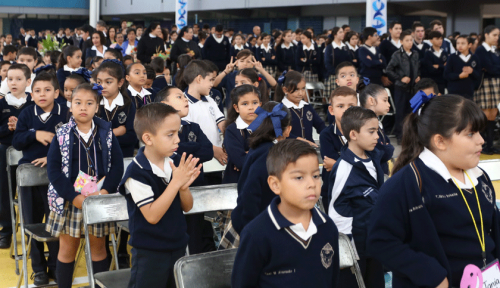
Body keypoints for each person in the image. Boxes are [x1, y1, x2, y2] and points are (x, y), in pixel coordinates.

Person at [367, 95, 497, 288]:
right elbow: (380, 241)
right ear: (440, 141)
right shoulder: (407, 184)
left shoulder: (480, 176)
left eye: (480, 132)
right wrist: (429, 274)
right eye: (470, 134)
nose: (481, 140)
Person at [232, 139, 340, 288]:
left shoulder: (327, 227)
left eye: (316, 176)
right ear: (275, 185)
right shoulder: (256, 234)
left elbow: (332, 280)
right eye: (299, 177)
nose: (311, 184)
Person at [45, 83, 123, 288]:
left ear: (97, 107)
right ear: (70, 105)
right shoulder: (61, 134)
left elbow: (117, 166)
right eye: (78, 102)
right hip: (70, 201)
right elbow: (53, 171)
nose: (83, 107)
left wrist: (105, 191)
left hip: (99, 199)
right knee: (67, 249)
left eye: (89, 103)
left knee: (98, 249)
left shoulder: (106, 133)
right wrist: (74, 196)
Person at [119, 103, 201, 288]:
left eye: (178, 133)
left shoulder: (174, 162)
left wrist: (183, 188)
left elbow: (187, 207)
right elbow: (152, 216)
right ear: (148, 138)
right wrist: (175, 183)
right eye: (170, 134)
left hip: (178, 245)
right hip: (150, 252)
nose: (177, 140)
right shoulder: (137, 172)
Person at [12, 71, 68, 285]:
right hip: (30, 179)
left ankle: (55, 266)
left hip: (56, 179)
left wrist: (51, 156)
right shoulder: (26, 114)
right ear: (31, 94)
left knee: (55, 224)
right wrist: (35, 135)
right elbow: (17, 141)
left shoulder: (65, 113)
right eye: (37, 91)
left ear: (56, 92)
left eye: (47, 90)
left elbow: (71, 142)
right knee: (32, 223)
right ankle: (39, 269)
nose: (42, 94)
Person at [221, 101, 292, 248]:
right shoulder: (268, 154)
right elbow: (250, 194)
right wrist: (251, 230)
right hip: (252, 228)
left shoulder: (261, 148)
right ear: (287, 129)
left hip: (255, 223)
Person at [329, 106, 385, 288]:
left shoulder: (374, 157)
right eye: (371, 131)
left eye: (377, 131)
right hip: (356, 245)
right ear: (353, 134)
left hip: (375, 237)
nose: (377, 136)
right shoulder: (344, 168)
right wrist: (349, 250)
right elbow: (337, 210)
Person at [155, 86, 215, 254]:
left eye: (184, 97)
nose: (186, 100)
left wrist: (181, 148)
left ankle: (193, 274)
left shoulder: (193, 127)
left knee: (195, 233)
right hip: (169, 191)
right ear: (164, 103)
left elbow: (208, 152)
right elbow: (166, 152)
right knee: (176, 235)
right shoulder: (157, 130)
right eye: (179, 97)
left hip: (195, 188)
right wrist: (193, 146)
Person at [0, 64, 34, 249]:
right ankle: (6, 231)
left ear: (28, 82)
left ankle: (30, 230)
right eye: (10, 79)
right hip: (5, 151)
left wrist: (22, 128)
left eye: (18, 79)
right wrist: (8, 128)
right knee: (5, 192)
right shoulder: (1, 103)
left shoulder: (33, 104)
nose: (13, 82)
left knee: (29, 194)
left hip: (29, 152)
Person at [181, 60, 227, 166]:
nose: (212, 84)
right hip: (199, 159)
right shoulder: (184, 103)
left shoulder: (210, 100)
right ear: (199, 78)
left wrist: (228, 139)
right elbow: (190, 137)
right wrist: (213, 149)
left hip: (219, 155)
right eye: (211, 80)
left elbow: (222, 123)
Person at [320, 87, 357, 212]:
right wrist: (358, 167)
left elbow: (334, 164)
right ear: (331, 110)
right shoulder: (326, 135)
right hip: (332, 190)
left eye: (351, 106)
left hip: (358, 190)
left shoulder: (363, 132)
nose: (346, 110)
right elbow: (329, 162)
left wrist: (337, 164)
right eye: (340, 106)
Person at [94, 60, 137, 157]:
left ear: (120, 82)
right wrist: (115, 132)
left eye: (108, 82)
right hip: (99, 157)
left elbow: (132, 138)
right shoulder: (94, 104)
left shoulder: (128, 105)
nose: (103, 86)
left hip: (123, 156)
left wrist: (104, 137)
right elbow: (92, 136)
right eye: (99, 82)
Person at [386, 30, 421, 141]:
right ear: (401, 42)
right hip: (401, 88)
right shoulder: (397, 55)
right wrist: (400, 78)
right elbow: (389, 70)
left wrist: (418, 76)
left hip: (413, 88)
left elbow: (417, 68)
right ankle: (400, 136)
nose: (410, 43)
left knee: (412, 112)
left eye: (411, 40)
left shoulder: (415, 54)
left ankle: (411, 135)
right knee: (401, 113)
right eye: (407, 40)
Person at [222, 85, 261, 184]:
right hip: (237, 182)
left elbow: (275, 155)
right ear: (236, 108)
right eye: (245, 104)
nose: (251, 107)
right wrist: (260, 154)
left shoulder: (266, 127)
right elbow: (240, 162)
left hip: (261, 182)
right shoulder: (232, 130)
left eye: (255, 103)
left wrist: (249, 154)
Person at [276, 70, 325, 144]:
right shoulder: (280, 109)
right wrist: (299, 140)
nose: (301, 93)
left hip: (308, 149)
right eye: (296, 90)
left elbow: (320, 125)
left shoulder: (307, 107)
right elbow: (280, 133)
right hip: (289, 149)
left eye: (303, 88)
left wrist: (328, 135)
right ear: (285, 90)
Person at [473, 25, 500, 155]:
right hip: (485, 85)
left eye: (498, 35)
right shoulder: (480, 50)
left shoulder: (494, 50)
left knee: (493, 114)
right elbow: (489, 67)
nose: (497, 38)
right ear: (486, 35)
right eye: (494, 35)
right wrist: (494, 68)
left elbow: (494, 67)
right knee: (484, 115)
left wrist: (494, 68)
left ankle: (490, 145)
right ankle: (482, 145)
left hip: (496, 84)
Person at [359, 84, 394, 175]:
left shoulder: (376, 121)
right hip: (373, 174)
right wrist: (389, 149)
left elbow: (385, 143)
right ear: (371, 100)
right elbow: (380, 153)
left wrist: (386, 147)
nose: (388, 104)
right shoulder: (366, 124)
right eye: (385, 100)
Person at [444, 35, 481, 100]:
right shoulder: (452, 57)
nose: (459, 45)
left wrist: (472, 71)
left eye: (463, 43)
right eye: (458, 43)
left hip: (469, 92)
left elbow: (479, 75)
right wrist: (459, 76)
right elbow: (446, 75)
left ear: (469, 45)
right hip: (454, 92)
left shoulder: (475, 58)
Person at [325, 27, 353, 98]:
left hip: (345, 76)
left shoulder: (345, 47)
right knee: (334, 98)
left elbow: (349, 61)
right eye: (340, 32)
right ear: (335, 34)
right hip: (334, 76)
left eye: (343, 32)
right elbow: (327, 63)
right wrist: (337, 73)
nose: (342, 34)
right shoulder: (330, 47)